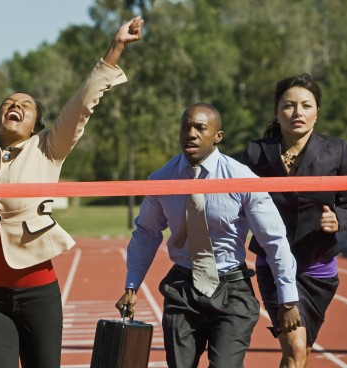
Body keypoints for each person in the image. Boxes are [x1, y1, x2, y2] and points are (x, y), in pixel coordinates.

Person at [0, 6, 144, 368]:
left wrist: (116, 47)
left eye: (25, 105)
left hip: (39, 295)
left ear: (37, 122)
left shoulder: (48, 148)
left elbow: (82, 104)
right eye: (9, 103)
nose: (14, 106)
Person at [116, 103, 301, 368]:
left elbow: (274, 240)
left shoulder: (242, 179)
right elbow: (147, 232)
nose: (191, 133)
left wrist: (287, 297)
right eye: (185, 127)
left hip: (231, 289)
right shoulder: (161, 179)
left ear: (218, 136)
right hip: (182, 289)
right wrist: (132, 285)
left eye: (200, 128)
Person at [241, 73, 347, 368]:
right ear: (277, 111)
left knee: (300, 352)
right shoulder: (255, 153)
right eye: (289, 105)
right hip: (275, 264)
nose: (298, 113)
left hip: (317, 267)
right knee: (295, 349)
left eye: (306, 106)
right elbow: (232, 200)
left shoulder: (338, 150)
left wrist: (337, 220)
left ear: (317, 112)